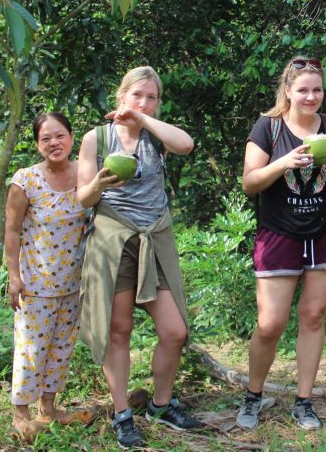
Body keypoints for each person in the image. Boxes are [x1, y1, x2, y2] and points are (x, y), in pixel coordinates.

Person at [76, 66, 203, 449]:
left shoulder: (156, 136)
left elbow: (186, 145)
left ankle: (161, 405)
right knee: (120, 330)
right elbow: (83, 198)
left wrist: (145, 119)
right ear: (121, 96)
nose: (143, 102)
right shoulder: (96, 138)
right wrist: (99, 181)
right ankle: (122, 414)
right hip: (114, 240)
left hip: (154, 238)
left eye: (151, 97)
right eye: (137, 96)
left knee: (174, 331)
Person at [236, 57, 326, 432]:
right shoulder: (268, 128)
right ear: (287, 91)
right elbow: (250, 182)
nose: (310, 96)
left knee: (314, 316)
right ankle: (253, 395)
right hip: (279, 232)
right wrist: (284, 162)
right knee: (271, 323)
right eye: (303, 89)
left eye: (317, 89)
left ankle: (304, 401)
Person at [4, 112, 90, 438]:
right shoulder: (25, 180)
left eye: (60, 136)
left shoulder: (86, 174)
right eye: (46, 139)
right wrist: (14, 277)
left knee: (61, 347)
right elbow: (11, 232)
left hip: (74, 282)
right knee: (31, 348)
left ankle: (49, 409)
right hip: (36, 284)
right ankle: (20, 413)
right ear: (38, 145)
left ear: (71, 136)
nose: (54, 143)